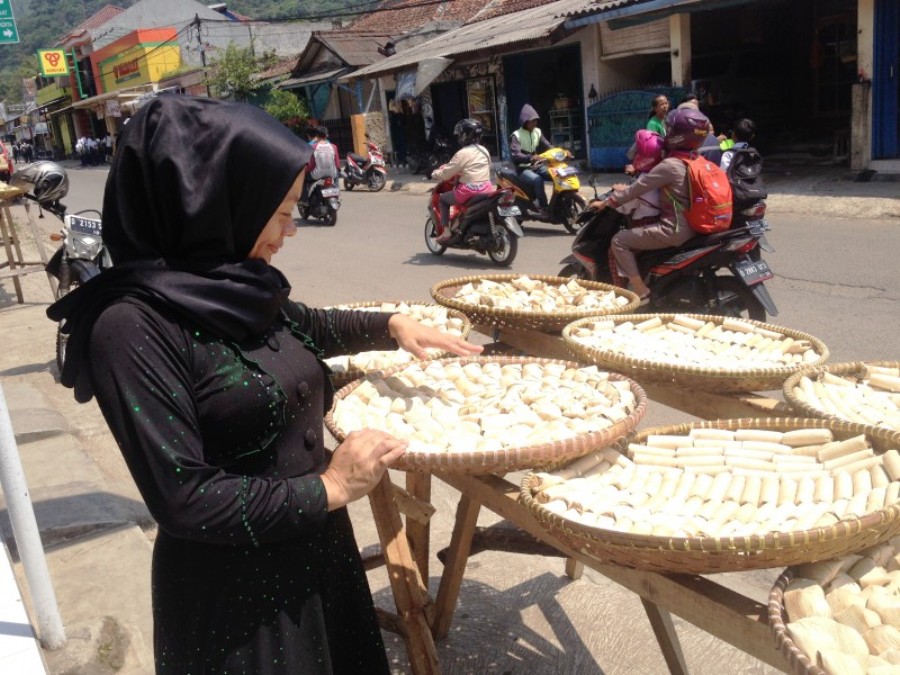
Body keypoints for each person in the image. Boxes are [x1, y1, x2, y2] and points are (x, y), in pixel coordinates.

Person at [46, 95, 482, 674]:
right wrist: (329, 487)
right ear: (212, 205)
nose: (292, 230)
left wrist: (393, 325)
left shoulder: (233, 288)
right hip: (239, 604)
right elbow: (185, 499)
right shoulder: (130, 328)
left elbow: (308, 326)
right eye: (280, 213)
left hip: (316, 554)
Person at [587, 107, 711, 303]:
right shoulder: (697, 160)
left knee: (618, 241)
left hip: (673, 229)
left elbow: (634, 191)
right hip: (695, 225)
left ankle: (636, 291)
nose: (667, 133)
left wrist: (606, 202)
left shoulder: (670, 165)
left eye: (670, 130)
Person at [430, 118, 494, 244]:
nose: (459, 137)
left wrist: (434, 174)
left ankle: (447, 232)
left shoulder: (462, 154)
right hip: (486, 188)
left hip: (469, 191)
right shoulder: (484, 150)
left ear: (465, 135)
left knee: (443, 199)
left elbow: (446, 173)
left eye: (460, 134)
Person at [509, 103, 551, 218]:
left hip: (537, 166)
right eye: (532, 121)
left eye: (536, 121)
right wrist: (530, 157)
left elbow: (547, 145)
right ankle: (543, 208)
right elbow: (515, 154)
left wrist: (561, 152)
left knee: (556, 175)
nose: (535, 123)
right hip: (523, 169)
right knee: (538, 180)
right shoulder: (516, 135)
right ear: (525, 122)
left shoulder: (537, 132)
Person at [300, 125, 340, 206]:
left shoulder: (313, 146)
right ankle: (337, 195)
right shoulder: (333, 146)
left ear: (317, 136)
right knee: (336, 177)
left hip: (316, 175)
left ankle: (304, 200)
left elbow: (311, 164)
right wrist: (338, 170)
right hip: (331, 173)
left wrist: (305, 171)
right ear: (327, 135)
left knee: (303, 180)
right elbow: (337, 163)